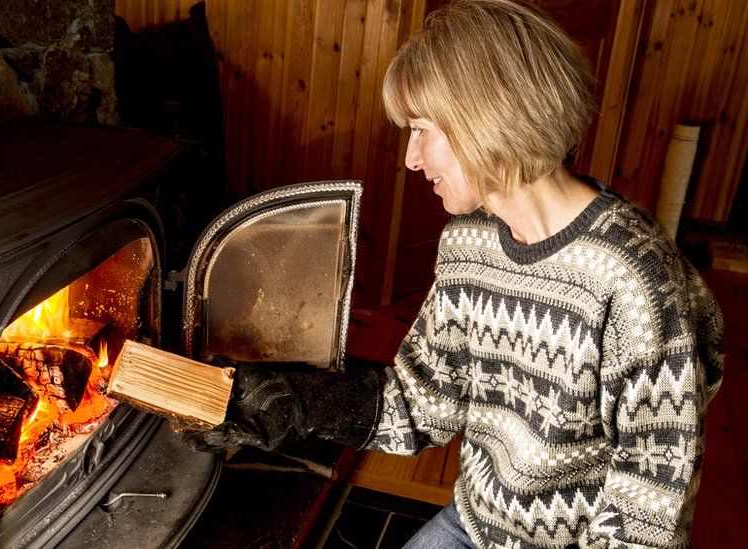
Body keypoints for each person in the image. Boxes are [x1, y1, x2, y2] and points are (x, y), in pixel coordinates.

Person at [185, 1, 725, 547]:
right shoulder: (468, 242)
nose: (411, 159)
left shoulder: (634, 279)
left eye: (421, 130)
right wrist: (299, 403)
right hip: (477, 522)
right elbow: (424, 402)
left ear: (485, 118)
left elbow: (649, 512)